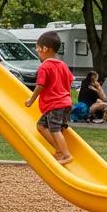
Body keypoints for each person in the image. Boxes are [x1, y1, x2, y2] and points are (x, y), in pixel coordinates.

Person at [24, 29, 74, 164]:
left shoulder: (45, 66)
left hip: (55, 104)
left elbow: (40, 85)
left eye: (38, 49)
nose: (37, 52)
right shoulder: (63, 65)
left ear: (45, 49)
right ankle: (58, 150)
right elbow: (70, 80)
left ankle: (66, 155)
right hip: (65, 103)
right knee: (41, 126)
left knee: (55, 130)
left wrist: (31, 100)